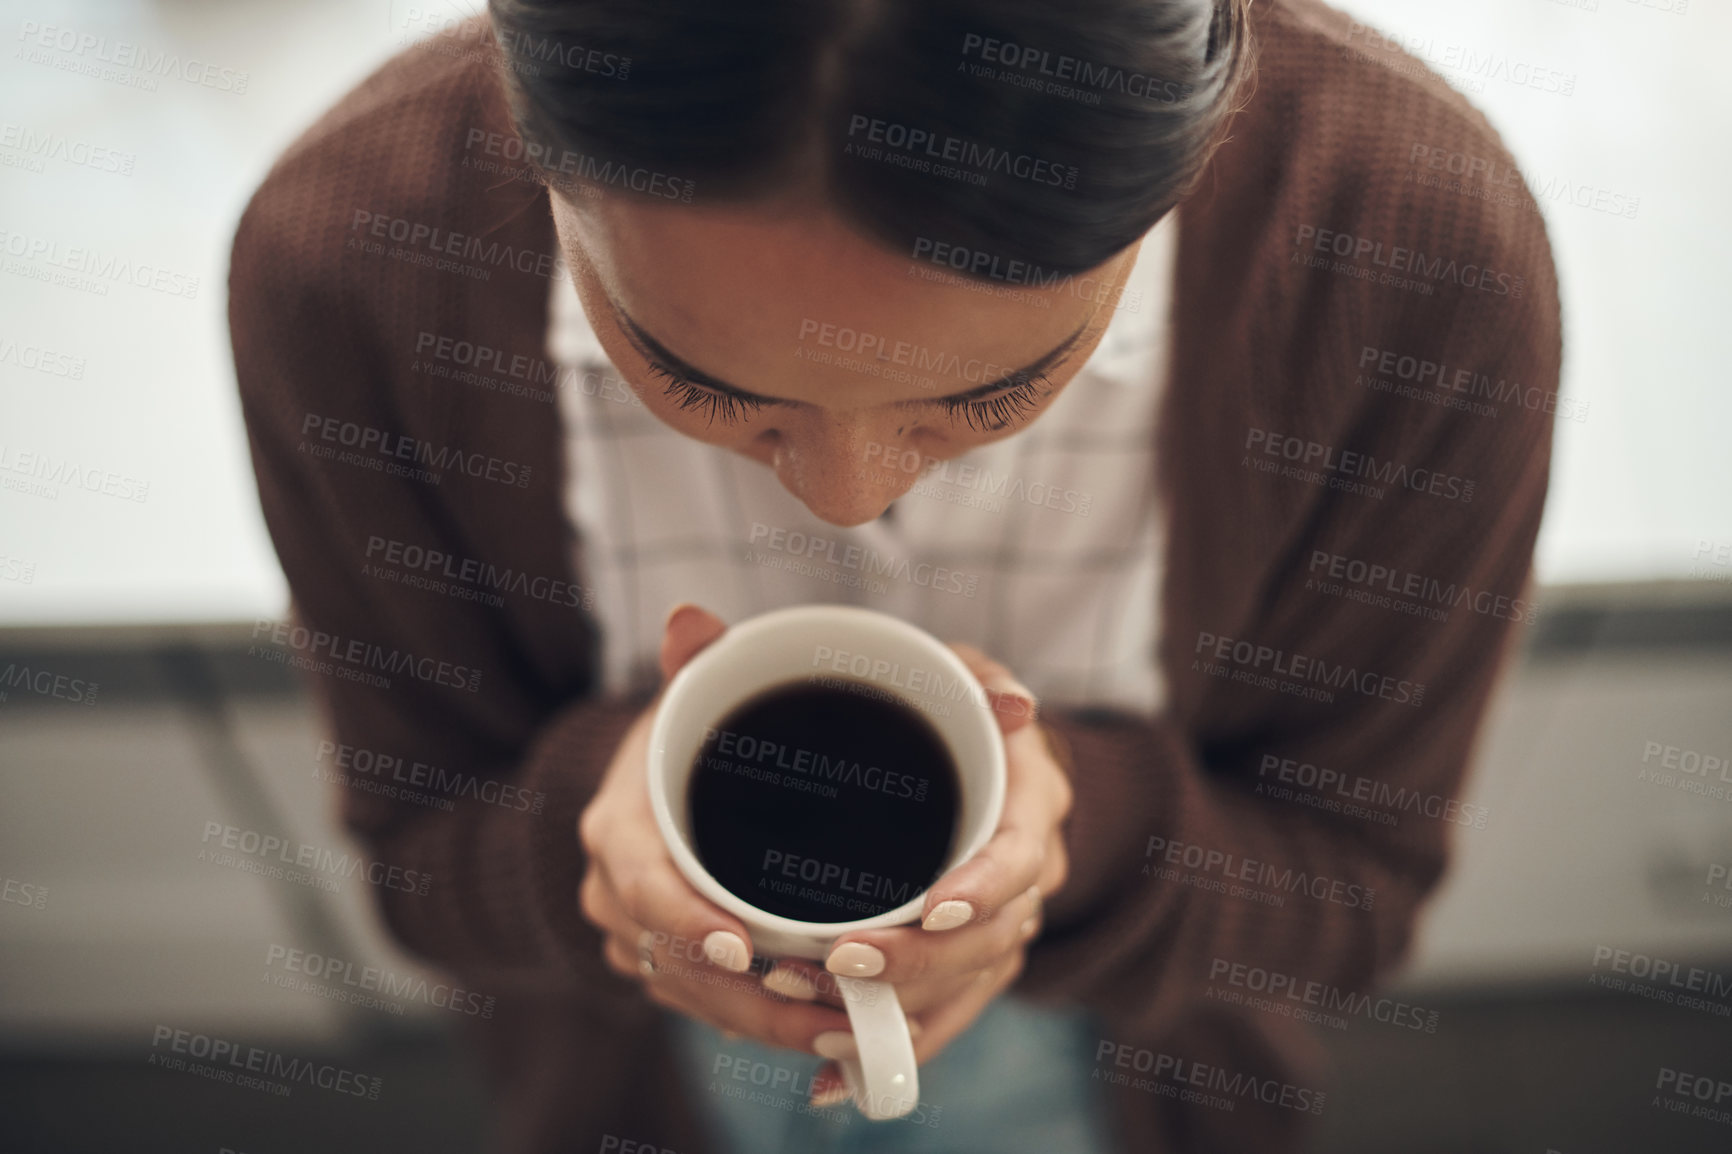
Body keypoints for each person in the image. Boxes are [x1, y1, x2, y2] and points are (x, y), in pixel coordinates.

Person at [228, 0, 1561, 1150]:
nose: (845, 495)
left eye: (1001, 387)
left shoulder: (1418, 260)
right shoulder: (348, 266)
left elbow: (1354, 896)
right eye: (694, 378)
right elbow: (421, 874)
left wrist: (1080, 843)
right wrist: (585, 829)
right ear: (541, 156)